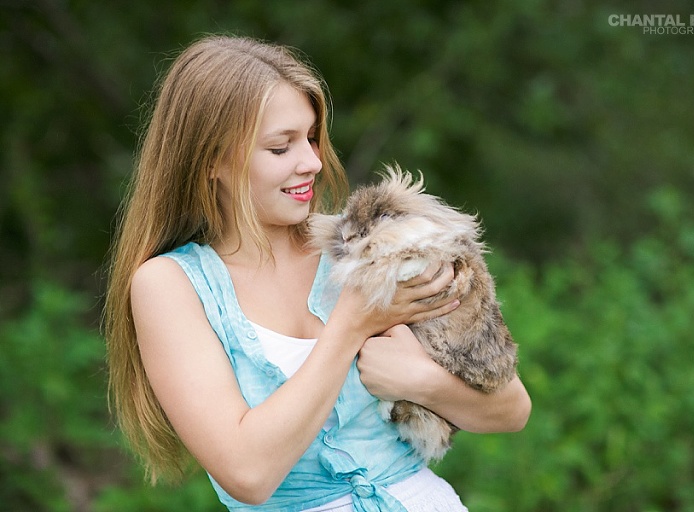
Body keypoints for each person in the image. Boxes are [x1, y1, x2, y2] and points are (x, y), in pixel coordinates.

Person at [104, 34, 531, 511]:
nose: (311, 161)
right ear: (212, 160)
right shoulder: (170, 286)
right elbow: (248, 473)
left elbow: (511, 409)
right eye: (280, 147)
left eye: (310, 138)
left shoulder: (363, 250)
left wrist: (421, 382)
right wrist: (350, 326)